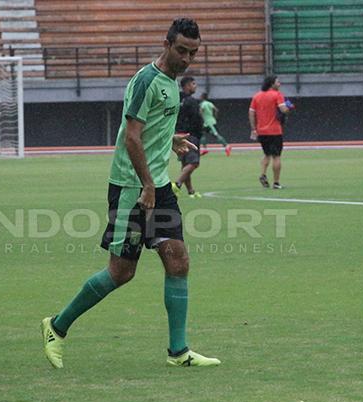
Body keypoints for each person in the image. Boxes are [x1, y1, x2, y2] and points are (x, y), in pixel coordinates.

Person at [41, 18, 221, 368]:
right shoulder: (146, 81)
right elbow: (131, 136)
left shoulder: (170, 82)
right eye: (181, 50)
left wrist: (170, 141)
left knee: (178, 259)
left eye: (193, 53)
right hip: (133, 188)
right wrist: (148, 185)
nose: (186, 58)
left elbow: (148, 130)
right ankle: (57, 327)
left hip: (158, 185)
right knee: (121, 271)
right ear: (166, 43)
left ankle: (178, 351)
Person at [249, 75, 291, 189]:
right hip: (275, 131)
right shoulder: (277, 95)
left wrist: (253, 128)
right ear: (272, 84)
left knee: (267, 154)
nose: (279, 84)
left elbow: (251, 112)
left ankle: (263, 174)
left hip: (262, 131)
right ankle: (276, 183)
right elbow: (283, 109)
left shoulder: (257, 96)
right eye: (277, 82)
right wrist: (289, 107)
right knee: (276, 156)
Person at [171, 76, 203, 199]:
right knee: (194, 163)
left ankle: (191, 191)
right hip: (190, 135)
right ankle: (177, 184)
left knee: (185, 163)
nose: (195, 86)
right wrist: (200, 131)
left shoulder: (177, 99)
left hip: (178, 134)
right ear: (187, 85)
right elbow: (197, 119)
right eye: (193, 84)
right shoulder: (191, 101)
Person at [199, 92, 231, 156]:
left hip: (207, 123)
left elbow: (200, 112)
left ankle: (227, 146)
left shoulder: (203, 104)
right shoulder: (210, 103)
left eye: (200, 96)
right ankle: (205, 149)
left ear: (202, 97)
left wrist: (201, 118)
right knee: (203, 134)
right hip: (211, 121)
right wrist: (215, 117)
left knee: (215, 135)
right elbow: (216, 110)